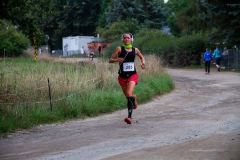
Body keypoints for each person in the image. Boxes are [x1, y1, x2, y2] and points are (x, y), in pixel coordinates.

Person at [109, 33, 145, 124]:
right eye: (124, 38)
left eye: (128, 38)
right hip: (122, 77)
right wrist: (117, 60)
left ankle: (129, 117)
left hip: (132, 75)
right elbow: (110, 60)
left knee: (129, 93)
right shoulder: (119, 49)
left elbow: (142, 57)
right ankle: (134, 98)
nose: (126, 39)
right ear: (122, 40)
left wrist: (143, 63)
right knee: (128, 97)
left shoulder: (135, 49)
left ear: (131, 39)